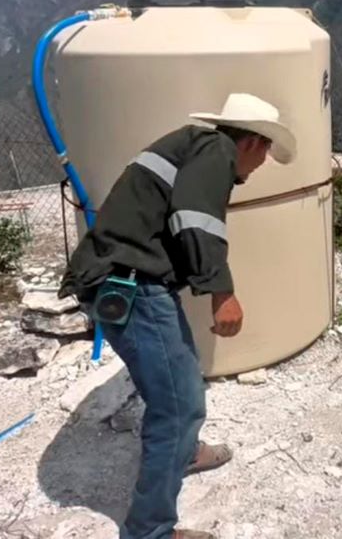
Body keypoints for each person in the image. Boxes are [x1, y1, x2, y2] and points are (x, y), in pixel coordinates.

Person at [58, 93, 296, 539]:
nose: (262, 163)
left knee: (181, 382)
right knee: (178, 405)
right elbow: (194, 218)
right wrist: (221, 291)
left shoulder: (191, 145)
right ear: (253, 142)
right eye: (265, 151)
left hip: (131, 283)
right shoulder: (216, 150)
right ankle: (150, 531)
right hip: (130, 286)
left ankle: (183, 455)